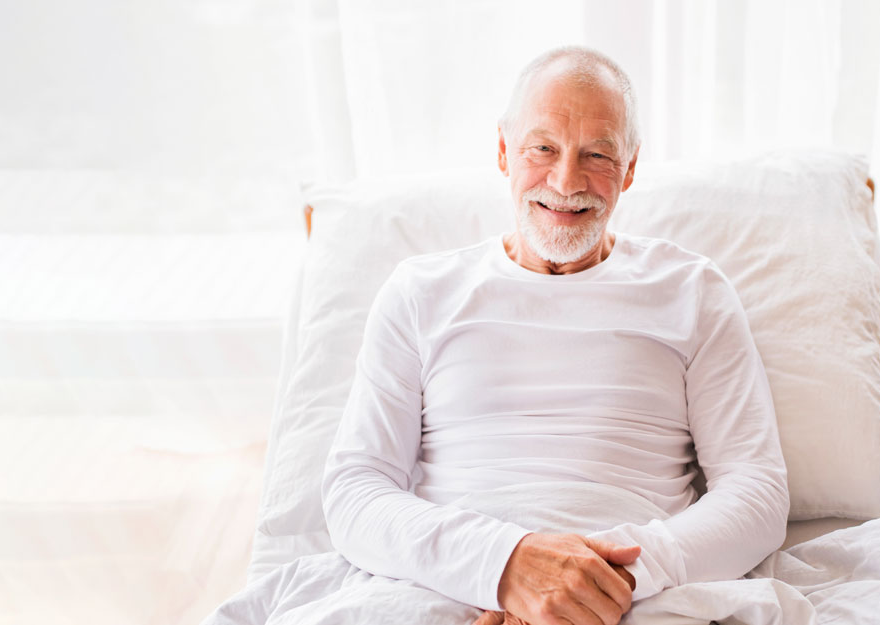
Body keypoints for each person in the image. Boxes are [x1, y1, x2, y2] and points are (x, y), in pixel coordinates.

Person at [321, 46, 789, 625]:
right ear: (503, 151)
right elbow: (355, 489)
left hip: (643, 595)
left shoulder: (694, 291)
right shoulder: (420, 292)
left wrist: (595, 584)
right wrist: (504, 566)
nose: (566, 181)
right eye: (543, 148)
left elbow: (757, 492)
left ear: (632, 166)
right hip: (448, 588)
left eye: (597, 154)